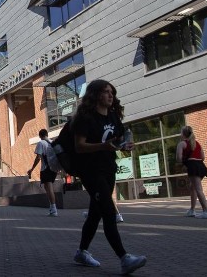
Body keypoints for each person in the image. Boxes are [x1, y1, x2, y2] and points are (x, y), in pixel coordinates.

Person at [70, 79, 147, 274]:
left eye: (112, 92)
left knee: (95, 214)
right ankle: (124, 258)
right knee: (108, 212)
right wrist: (102, 146)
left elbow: (120, 139)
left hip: (108, 168)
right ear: (96, 95)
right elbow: (79, 146)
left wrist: (126, 145)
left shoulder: (113, 117)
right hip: (90, 171)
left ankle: (81, 252)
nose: (110, 95)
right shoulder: (85, 118)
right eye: (105, 92)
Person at [178, 125, 207, 219]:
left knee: (198, 189)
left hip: (193, 166)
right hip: (201, 166)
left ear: (183, 134)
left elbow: (179, 158)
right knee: (192, 187)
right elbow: (203, 157)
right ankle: (192, 210)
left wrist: (184, 163)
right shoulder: (197, 143)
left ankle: (206, 211)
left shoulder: (182, 144)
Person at [27, 128, 60, 216]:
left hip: (46, 169)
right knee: (48, 187)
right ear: (47, 134)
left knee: (49, 188)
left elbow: (38, 157)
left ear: (40, 136)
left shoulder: (41, 143)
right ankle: (52, 208)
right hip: (54, 168)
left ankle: (54, 209)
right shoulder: (52, 142)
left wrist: (32, 169)